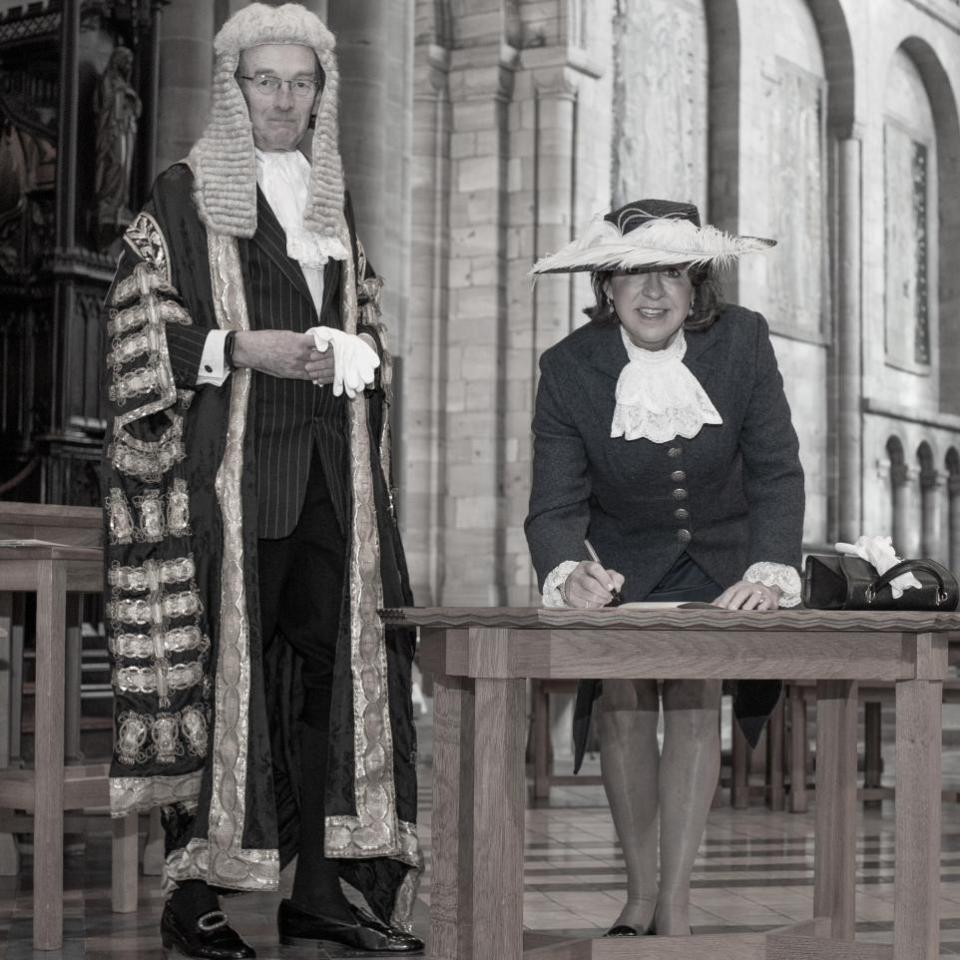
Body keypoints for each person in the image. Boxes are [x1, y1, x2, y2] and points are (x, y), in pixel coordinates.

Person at [101, 5, 422, 957]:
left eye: (302, 82)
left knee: (331, 681)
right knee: (216, 676)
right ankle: (191, 901)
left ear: (323, 93)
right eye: (265, 81)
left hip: (333, 478)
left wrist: (359, 354)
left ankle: (317, 892)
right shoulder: (181, 193)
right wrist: (239, 345)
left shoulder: (336, 201)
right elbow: (135, 334)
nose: (284, 100)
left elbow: (367, 314)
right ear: (234, 92)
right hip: (230, 482)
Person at [525, 199, 805, 938]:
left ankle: (675, 903)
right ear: (606, 289)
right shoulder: (568, 367)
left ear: (696, 288)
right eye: (633, 274)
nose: (653, 292)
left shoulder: (743, 342)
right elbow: (553, 506)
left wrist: (771, 566)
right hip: (626, 568)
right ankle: (638, 891)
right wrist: (567, 572)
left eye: (672, 275)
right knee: (622, 705)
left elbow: (777, 471)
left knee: (693, 700)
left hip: (723, 564)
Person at [94, 45, 141, 240]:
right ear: (117, 60)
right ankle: (108, 204)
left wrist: (132, 100)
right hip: (112, 130)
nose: (129, 65)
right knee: (116, 164)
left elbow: (137, 109)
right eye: (126, 61)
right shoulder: (109, 81)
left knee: (126, 169)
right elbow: (102, 104)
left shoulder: (124, 84)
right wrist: (121, 95)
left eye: (130, 62)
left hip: (126, 131)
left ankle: (120, 205)